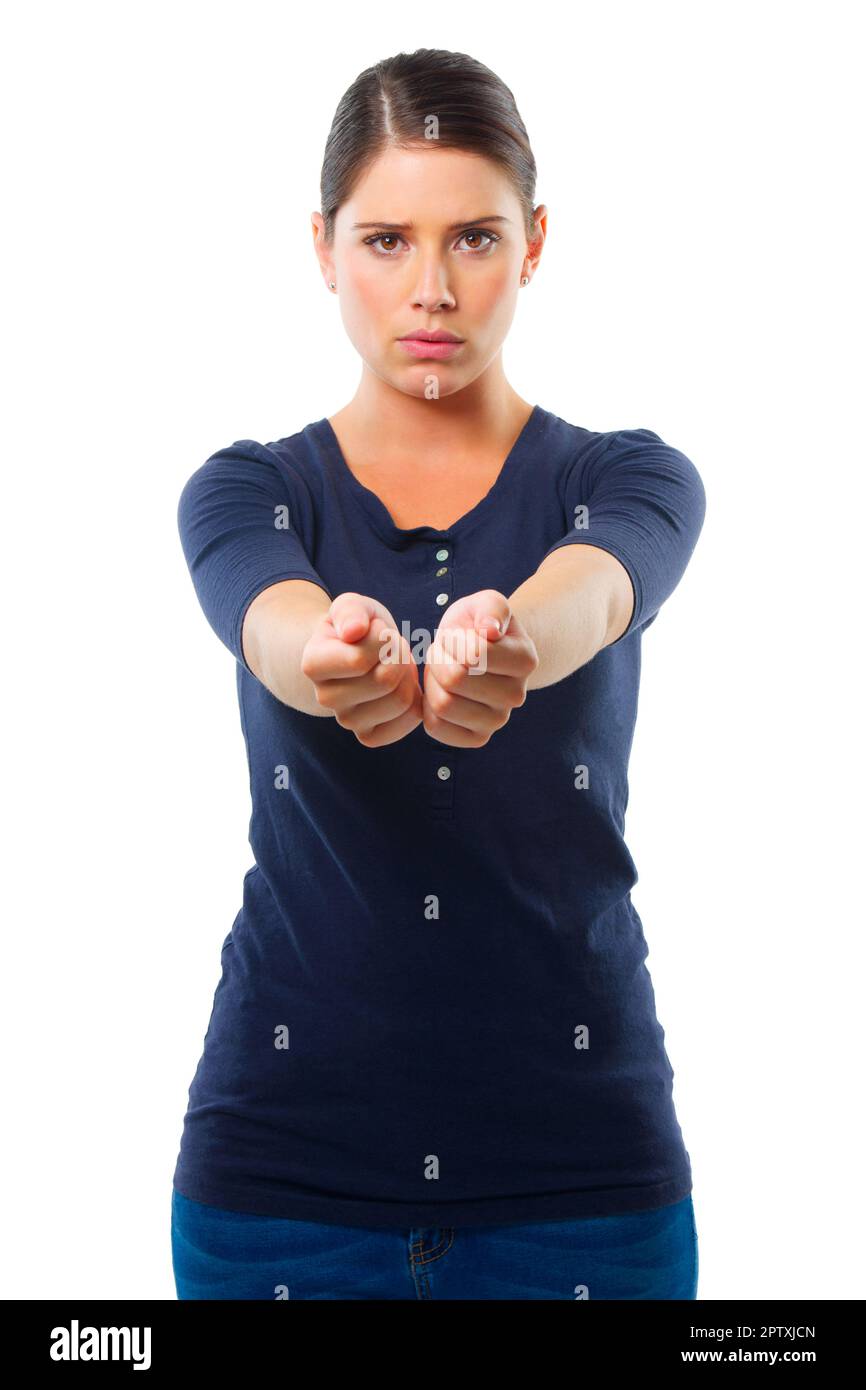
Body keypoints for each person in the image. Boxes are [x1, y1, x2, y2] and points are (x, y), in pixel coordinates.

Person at [170, 47, 706, 1301]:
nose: (429, 290)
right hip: (278, 1190)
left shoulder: (627, 477)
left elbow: (601, 588)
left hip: (582, 1188)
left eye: (471, 238)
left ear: (531, 245)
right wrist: (326, 655)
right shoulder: (250, 489)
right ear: (320, 247)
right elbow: (268, 617)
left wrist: (508, 636)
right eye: (383, 241)